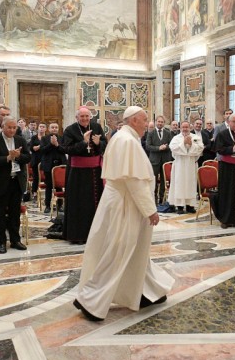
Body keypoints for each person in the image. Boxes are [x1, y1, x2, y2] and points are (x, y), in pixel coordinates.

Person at [73, 106, 174, 322]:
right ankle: (90, 300)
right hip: (126, 204)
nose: (147, 124)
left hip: (121, 200)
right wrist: (150, 210)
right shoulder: (127, 141)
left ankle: (146, 292)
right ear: (134, 120)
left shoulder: (122, 137)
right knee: (119, 251)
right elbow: (134, 181)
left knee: (135, 251)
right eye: (145, 120)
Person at [61, 107, 106, 244]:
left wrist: (99, 143)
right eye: (82, 116)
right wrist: (83, 143)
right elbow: (66, 149)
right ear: (77, 117)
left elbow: (105, 144)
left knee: (97, 202)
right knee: (79, 204)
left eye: (87, 116)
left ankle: (98, 234)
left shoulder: (96, 127)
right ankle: (79, 236)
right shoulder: (70, 130)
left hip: (96, 172)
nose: (85, 119)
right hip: (77, 175)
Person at [0, 117, 30, 253]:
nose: (12, 130)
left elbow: (28, 157)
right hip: (0, 182)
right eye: (9, 127)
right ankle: (1, 242)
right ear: (2, 127)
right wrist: (7, 158)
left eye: (14, 128)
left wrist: (18, 156)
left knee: (15, 213)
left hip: (16, 181)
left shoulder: (20, 140)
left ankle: (15, 240)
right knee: (0, 214)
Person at [169, 121, 204, 214]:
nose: (185, 129)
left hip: (191, 164)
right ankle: (180, 206)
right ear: (180, 128)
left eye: (186, 127)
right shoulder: (176, 138)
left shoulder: (195, 137)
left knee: (190, 184)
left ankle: (190, 206)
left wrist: (191, 145)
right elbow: (173, 148)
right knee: (179, 184)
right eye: (183, 127)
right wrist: (183, 143)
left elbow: (200, 148)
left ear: (190, 128)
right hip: (179, 165)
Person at [39, 122, 66, 214]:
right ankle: (47, 205)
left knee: (59, 186)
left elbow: (65, 150)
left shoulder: (62, 138)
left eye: (56, 127)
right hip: (48, 165)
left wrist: (57, 145)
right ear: (49, 129)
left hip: (60, 165)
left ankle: (60, 205)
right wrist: (51, 144)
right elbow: (42, 150)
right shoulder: (44, 138)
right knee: (49, 186)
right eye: (52, 127)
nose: (54, 129)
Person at [145, 115, 173, 204]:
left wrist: (166, 147)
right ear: (155, 122)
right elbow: (148, 146)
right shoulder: (151, 133)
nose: (160, 123)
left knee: (164, 180)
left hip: (165, 160)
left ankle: (162, 198)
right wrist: (158, 148)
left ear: (164, 123)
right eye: (159, 121)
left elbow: (171, 144)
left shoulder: (168, 133)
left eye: (162, 122)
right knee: (154, 180)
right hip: (154, 160)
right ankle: (154, 198)